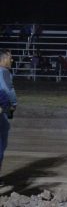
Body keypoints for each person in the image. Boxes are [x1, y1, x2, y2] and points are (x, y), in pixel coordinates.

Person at [0, 49, 17, 186]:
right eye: (10, 58)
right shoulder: (4, 72)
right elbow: (8, 89)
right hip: (2, 111)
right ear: (3, 59)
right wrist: (13, 104)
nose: (12, 60)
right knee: (1, 145)